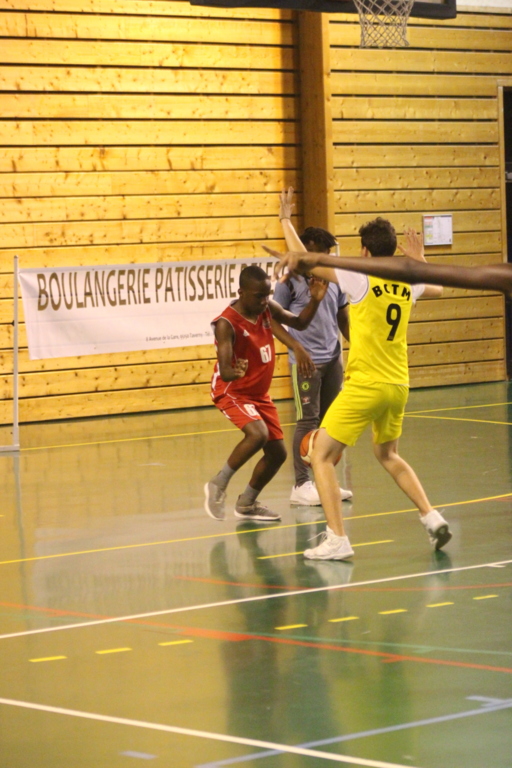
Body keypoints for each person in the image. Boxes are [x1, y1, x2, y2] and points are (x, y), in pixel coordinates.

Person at [263, 220, 451, 559]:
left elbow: (307, 261)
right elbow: (438, 288)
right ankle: (431, 516)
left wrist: (286, 222)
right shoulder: (408, 282)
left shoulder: (360, 277)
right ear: (392, 249)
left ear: (364, 251)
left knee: (320, 455)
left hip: (366, 384)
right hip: (398, 385)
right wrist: (419, 260)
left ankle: (337, 538)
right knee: (388, 455)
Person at [204, 264, 327, 523]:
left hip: (259, 394)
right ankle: (218, 483)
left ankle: (247, 503)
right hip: (232, 391)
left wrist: (315, 300)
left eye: (267, 295)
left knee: (277, 454)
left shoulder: (267, 309)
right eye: (258, 296)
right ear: (241, 293)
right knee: (258, 434)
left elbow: (299, 323)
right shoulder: (226, 323)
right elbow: (225, 371)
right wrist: (235, 371)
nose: (264, 301)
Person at [273, 188, 352, 506]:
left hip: (333, 360)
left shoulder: (333, 278)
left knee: (331, 423)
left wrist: (354, 346)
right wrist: (297, 348)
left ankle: (326, 481)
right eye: (322, 253)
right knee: (307, 421)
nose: (326, 258)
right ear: (306, 251)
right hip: (306, 363)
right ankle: (301, 485)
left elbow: (342, 316)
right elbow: (273, 322)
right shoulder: (289, 282)